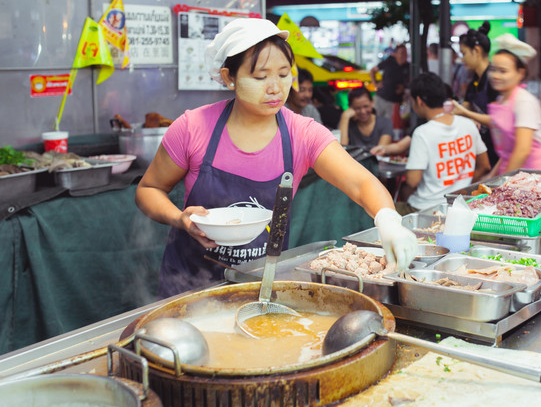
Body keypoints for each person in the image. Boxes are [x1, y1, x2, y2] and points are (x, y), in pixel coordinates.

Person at [135, 18, 417, 298]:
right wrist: (179, 218)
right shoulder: (192, 127)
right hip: (188, 286)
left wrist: (388, 221)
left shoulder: (301, 133)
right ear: (228, 77)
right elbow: (149, 190)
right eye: (260, 77)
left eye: (284, 74)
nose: (275, 88)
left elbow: (362, 183)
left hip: (263, 287)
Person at [453, 33, 541, 177]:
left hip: (535, 176)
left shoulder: (523, 101)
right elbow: (507, 151)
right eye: (493, 69)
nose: (495, 76)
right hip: (515, 174)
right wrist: (491, 178)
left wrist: (502, 183)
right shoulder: (502, 99)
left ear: (520, 73)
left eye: (503, 71)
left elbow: (522, 150)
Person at [397, 73, 490, 214]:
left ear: (419, 101)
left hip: (426, 207)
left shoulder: (422, 133)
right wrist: (460, 188)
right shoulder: (468, 125)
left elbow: (412, 180)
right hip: (459, 205)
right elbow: (485, 166)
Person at [456, 21, 498, 164]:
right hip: (482, 146)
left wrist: (465, 113)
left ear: (477, 51)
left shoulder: (494, 79)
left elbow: (495, 119)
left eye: (464, 53)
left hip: (497, 148)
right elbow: (464, 108)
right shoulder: (474, 80)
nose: (463, 59)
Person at [369, 43, 410, 128]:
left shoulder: (408, 67)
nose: (404, 55)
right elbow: (372, 71)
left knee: (389, 126)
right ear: (396, 54)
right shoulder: (389, 61)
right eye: (401, 52)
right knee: (375, 122)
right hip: (381, 98)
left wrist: (404, 88)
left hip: (395, 102)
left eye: (405, 53)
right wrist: (375, 84)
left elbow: (409, 83)